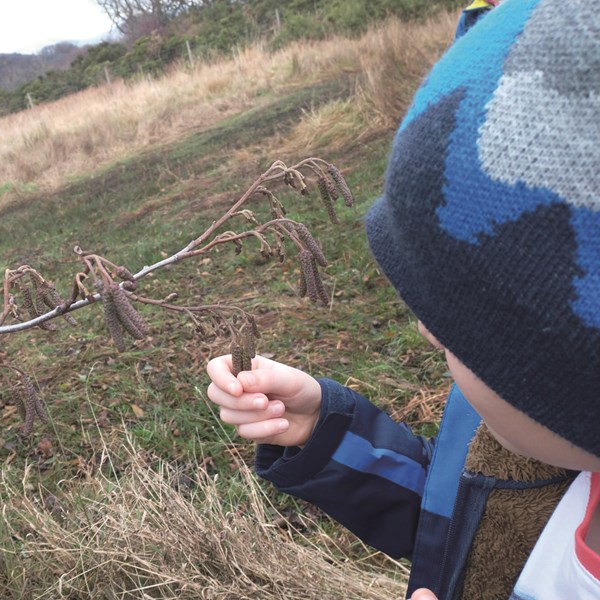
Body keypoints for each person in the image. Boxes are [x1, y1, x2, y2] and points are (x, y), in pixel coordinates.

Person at [205, 1, 600, 598]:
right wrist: (324, 432)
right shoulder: (536, 446)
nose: (427, 330)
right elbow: (462, 519)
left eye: (460, 319)